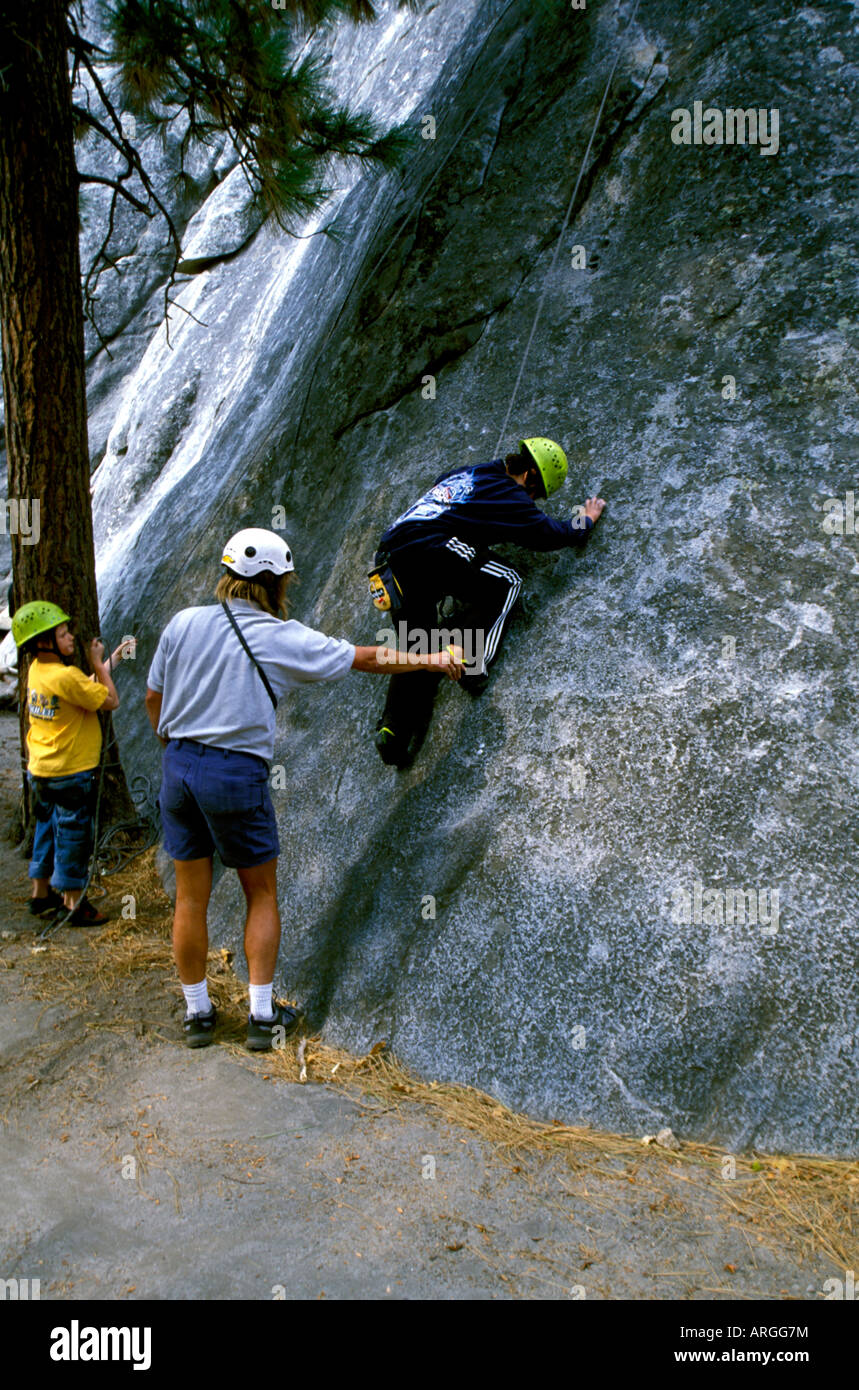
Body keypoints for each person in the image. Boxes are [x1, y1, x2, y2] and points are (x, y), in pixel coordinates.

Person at [145, 527, 463, 1051]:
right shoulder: (280, 635)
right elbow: (365, 657)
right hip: (234, 773)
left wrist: (174, 750)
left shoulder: (183, 624)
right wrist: (432, 659)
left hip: (178, 768)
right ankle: (262, 1017)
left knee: (189, 897)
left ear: (228, 575)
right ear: (275, 582)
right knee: (261, 893)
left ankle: (198, 1014)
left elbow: (155, 696)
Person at [371, 437, 606, 766]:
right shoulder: (512, 495)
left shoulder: (476, 472)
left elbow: (443, 483)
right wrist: (586, 517)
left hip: (388, 561)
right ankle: (471, 661)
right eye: (536, 494)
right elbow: (556, 534)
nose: (533, 501)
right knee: (508, 581)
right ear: (530, 478)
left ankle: (392, 733)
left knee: (419, 646)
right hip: (428, 548)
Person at [12, 601, 125, 925]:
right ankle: (73, 903)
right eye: (63, 633)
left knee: (46, 830)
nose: (71, 637)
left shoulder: (39, 671)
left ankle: (40, 893)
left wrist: (110, 661)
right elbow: (110, 701)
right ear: (45, 641)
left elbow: (80, 690)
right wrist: (98, 663)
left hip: (42, 771)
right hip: (70, 772)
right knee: (74, 835)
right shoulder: (66, 675)